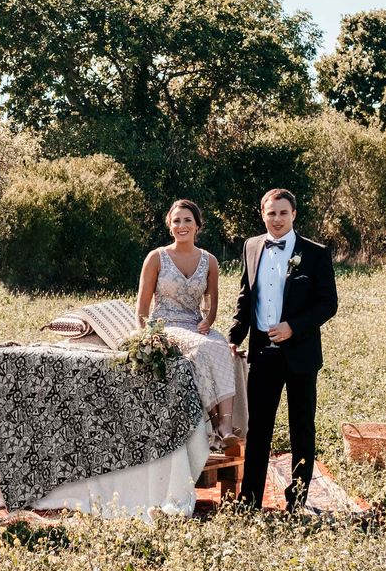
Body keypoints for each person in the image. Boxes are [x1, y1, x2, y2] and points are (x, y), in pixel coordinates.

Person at [230, 188, 338, 511]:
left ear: (294, 215)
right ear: (262, 214)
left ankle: (298, 498)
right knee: (258, 428)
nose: (276, 219)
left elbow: (328, 304)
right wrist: (235, 336)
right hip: (262, 352)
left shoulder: (315, 253)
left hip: (301, 353)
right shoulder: (251, 247)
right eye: (271, 213)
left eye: (283, 213)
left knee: (301, 427)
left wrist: (294, 326)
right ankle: (249, 500)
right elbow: (245, 297)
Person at [136, 199, 237, 447]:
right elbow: (142, 307)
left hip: (195, 322)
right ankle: (218, 426)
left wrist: (209, 320)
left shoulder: (209, 260)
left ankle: (226, 422)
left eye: (188, 220)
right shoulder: (156, 257)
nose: (182, 225)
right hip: (165, 325)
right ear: (170, 226)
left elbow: (211, 301)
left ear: (197, 225)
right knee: (203, 349)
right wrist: (147, 337)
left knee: (220, 344)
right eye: (177, 220)